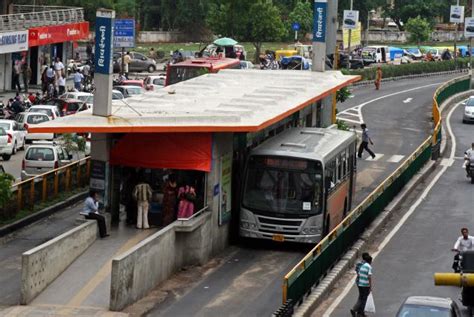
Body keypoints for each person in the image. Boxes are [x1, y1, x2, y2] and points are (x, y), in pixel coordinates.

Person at [351, 253, 373, 317]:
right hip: (364, 284)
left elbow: (357, 272)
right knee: (363, 298)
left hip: (359, 282)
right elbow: (369, 276)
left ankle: (358, 311)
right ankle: (359, 312)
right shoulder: (367, 266)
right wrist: (370, 286)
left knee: (361, 297)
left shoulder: (359, 264)